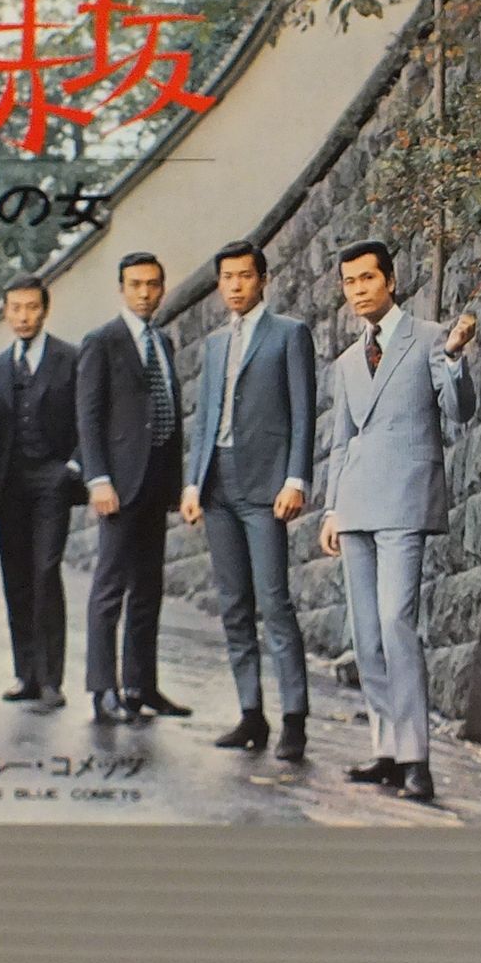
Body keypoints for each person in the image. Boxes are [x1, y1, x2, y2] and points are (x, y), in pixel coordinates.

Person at [319, 240, 477, 802]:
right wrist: (332, 508)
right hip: (356, 504)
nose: (358, 290)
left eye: (367, 278)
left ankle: (416, 759)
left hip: (405, 501)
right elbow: (341, 442)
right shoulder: (346, 361)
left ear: (390, 279)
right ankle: (385, 750)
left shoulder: (430, 337)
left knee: (395, 623)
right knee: (365, 635)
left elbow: (460, 410)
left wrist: (454, 358)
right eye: (349, 282)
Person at [180, 241, 317, 761]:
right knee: (233, 604)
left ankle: (294, 719)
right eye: (227, 278)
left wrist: (296, 479)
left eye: (244, 276)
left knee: (274, 602)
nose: (235, 286)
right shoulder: (216, 344)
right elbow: (205, 418)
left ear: (263, 279)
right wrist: (192, 484)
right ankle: (250, 713)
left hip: (265, 485)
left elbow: (303, 412)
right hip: (217, 484)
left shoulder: (289, 334)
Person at [76, 252, 190, 726]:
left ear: (162, 288)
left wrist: (176, 483)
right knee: (110, 588)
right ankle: (103, 689)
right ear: (121, 289)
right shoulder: (101, 342)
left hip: (156, 481)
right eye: (136, 284)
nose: (145, 293)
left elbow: (168, 410)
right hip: (119, 484)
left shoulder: (162, 341)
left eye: (153, 284)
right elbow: (88, 416)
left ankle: (141, 685)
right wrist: (98, 479)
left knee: (148, 588)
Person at [0, 275, 81, 711]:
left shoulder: (70, 359)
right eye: (15, 308)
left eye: (31, 307)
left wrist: (71, 468)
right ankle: (25, 674)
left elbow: (88, 418)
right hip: (10, 485)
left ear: (45, 310)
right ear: (5, 313)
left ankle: (51, 679)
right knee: (16, 577)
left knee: (45, 571)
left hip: (51, 481)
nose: (23, 316)